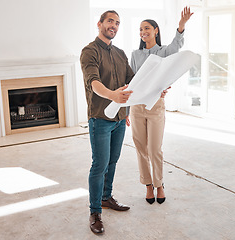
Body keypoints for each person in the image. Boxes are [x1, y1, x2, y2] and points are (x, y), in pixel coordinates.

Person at [129, 7, 193, 205]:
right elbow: (131, 82)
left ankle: (159, 184)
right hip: (137, 107)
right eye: (140, 29)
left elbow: (177, 45)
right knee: (141, 148)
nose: (143, 32)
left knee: (155, 148)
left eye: (146, 28)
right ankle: (148, 186)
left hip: (156, 106)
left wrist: (181, 26)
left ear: (156, 30)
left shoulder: (164, 52)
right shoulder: (135, 54)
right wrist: (125, 111)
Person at [80, 10, 134, 234]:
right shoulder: (89, 51)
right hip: (100, 119)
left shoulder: (121, 53)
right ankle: (95, 212)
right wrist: (112, 95)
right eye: (110, 21)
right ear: (99, 23)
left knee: (113, 161)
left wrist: (155, 91)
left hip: (120, 118)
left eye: (118, 23)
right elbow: (93, 83)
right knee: (99, 165)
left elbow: (133, 82)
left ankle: (106, 197)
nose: (114, 25)